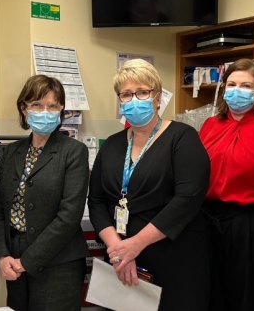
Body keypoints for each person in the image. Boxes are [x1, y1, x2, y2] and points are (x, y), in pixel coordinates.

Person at [88, 59, 210, 311]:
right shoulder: (111, 145)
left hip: (174, 258)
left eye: (142, 92)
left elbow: (188, 199)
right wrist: (118, 248)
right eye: (126, 94)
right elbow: (97, 200)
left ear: (157, 98)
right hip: (121, 258)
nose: (134, 99)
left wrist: (136, 244)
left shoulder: (182, 138)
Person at [0, 75, 89, 311]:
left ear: (61, 110)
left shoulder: (73, 151)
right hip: (14, 259)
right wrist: (2, 255)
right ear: (24, 108)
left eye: (52, 105)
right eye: (37, 104)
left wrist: (28, 261)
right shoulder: (12, 152)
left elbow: (69, 216)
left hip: (59, 263)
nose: (44, 111)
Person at [199, 58, 254, 311]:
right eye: (232, 84)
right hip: (211, 222)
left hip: (253, 228)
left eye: (246, 86)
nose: (237, 90)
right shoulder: (210, 126)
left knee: (250, 298)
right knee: (214, 294)